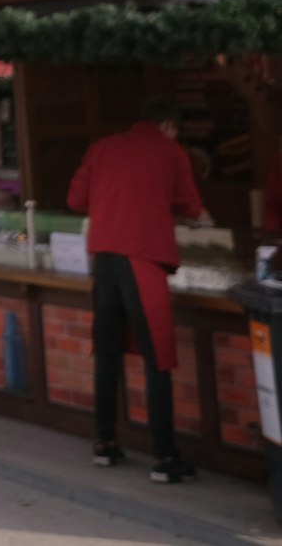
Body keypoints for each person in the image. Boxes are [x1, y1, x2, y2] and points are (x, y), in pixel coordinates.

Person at [68, 104, 207, 483]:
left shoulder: (101, 148)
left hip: (105, 260)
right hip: (143, 259)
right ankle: (164, 457)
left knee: (107, 353)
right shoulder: (170, 151)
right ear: (167, 125)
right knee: (158, 357)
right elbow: (192, 206)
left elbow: (76, 201)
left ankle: (105, 443)